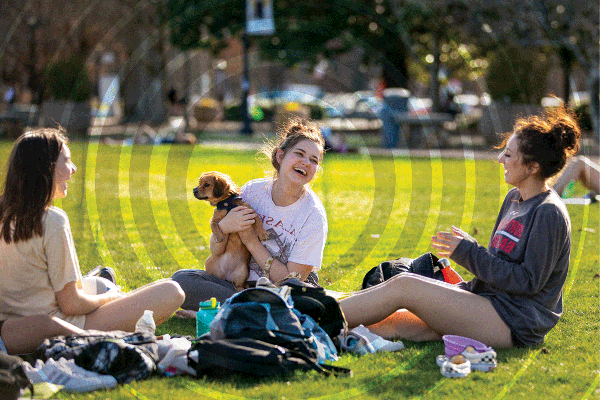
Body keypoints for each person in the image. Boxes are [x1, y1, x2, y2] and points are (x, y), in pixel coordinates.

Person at [339, 106, 581, 348]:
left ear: (532, 167)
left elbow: (527, 282)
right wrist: (469, 266)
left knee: (405, 286)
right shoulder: (514, 198)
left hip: (516, 321)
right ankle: (321, 311)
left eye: (508, 155)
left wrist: (469, 252)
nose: (500, 159)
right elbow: (500, 265)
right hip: (490, 304)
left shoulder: (549, 212)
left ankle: (318, 313)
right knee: (389, 322)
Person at [0, 128, 185, 344]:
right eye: (67, 161)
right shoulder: (51, 220)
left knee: (100, 285)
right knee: (172, 291)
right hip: (59, 328)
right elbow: (71, 305)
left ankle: (112, 297)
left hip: (11, 329)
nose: (74, 168)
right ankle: (120, 320)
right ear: (47, 168)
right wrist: (112, 297)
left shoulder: (5, 210)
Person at [173, 118, 327, 310]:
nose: (306, 163)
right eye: (299, 154)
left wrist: (252, 242)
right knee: (182, 280)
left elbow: (291, 282)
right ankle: (242, 309)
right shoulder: (252, 191)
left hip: (280, 293)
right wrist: (223, 227)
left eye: (314, 160)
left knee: (294, 302)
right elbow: (217, 251)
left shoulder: (313, 215)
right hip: (236, 286)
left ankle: (234, 310)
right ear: (280, 156)